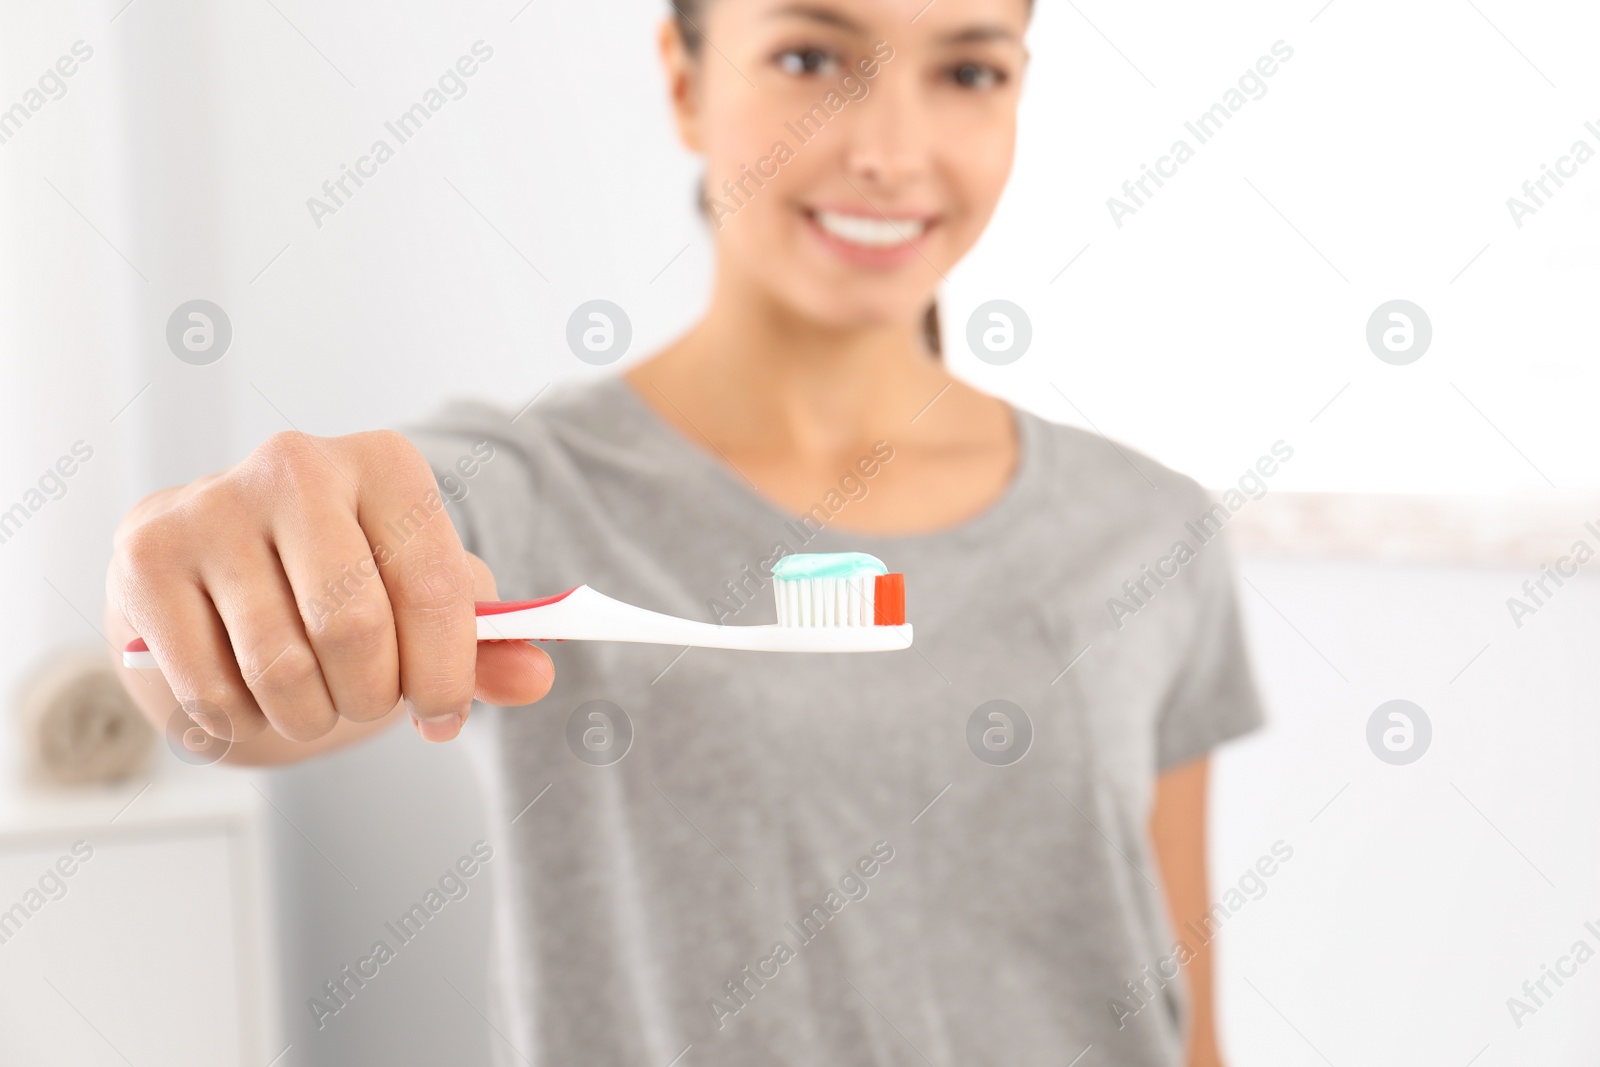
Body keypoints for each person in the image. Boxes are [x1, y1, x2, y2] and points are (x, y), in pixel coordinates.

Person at [105, 1, 1264, 1063]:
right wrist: (203, 595)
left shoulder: (1151, 531)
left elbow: (1177, 1006)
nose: (892, 150)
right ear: (682, 80)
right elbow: (233, 690)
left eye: (969, 70)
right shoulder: (529, 490)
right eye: (809, 58)